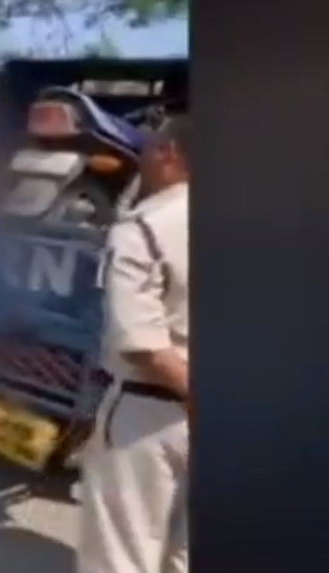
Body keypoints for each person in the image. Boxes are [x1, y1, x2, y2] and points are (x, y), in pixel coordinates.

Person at [78, 117, 190, 573]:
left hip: (151, 414)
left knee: (122, 556)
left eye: (148, 145)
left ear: (168, 152)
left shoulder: (145, 228)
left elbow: (142, 343)